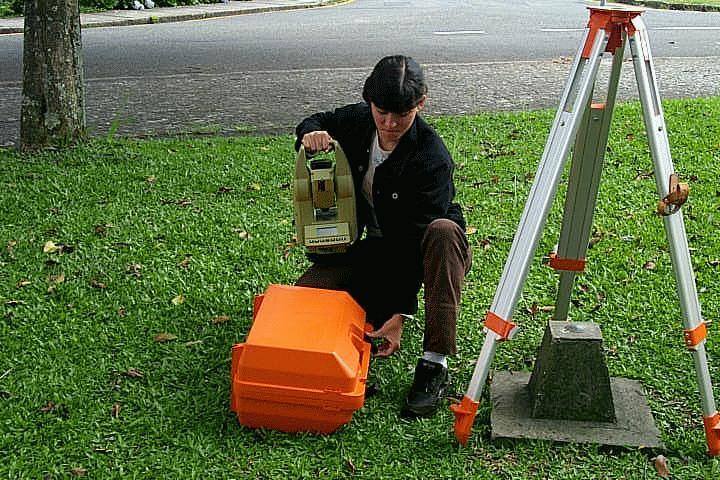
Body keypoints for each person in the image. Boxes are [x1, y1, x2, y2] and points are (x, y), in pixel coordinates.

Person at [294, 55, 471, 418]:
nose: (390, 123)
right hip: (374, 248)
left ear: (420, 104)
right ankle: (362, 324)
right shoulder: (358, 121)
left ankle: (434, 365)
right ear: (369, 102)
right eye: (382, 111)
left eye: (402, 114)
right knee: (303, 305)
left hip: (425, 248)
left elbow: (410, 244)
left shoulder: (432, 157)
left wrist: (400, 310)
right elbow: (317, 121)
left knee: (443, 233)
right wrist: (310, 134)